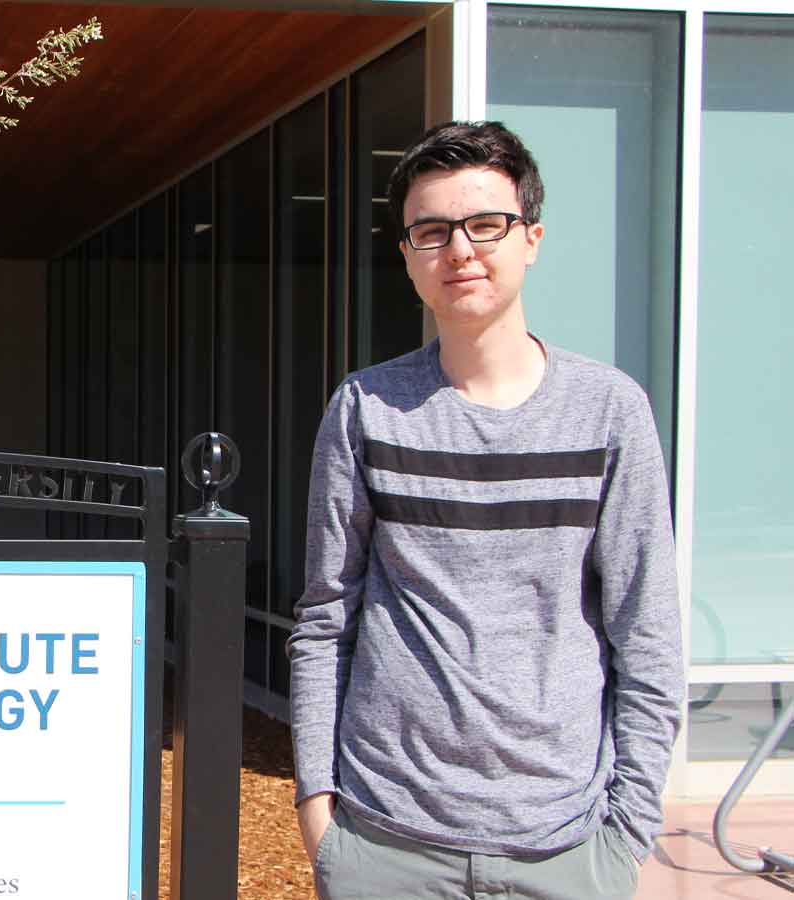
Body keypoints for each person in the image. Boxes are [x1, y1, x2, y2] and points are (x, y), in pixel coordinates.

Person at [288, 121, 683, 900]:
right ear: (407, 256)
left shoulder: (608, 411)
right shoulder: (366, 407)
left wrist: (627, 833)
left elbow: (648, 632)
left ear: (530, 238)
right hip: (384, 845)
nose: (460, 250)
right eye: (431, 231)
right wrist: (318, 815)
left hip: (566, 850)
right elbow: (325, 617)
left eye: (485, 225)